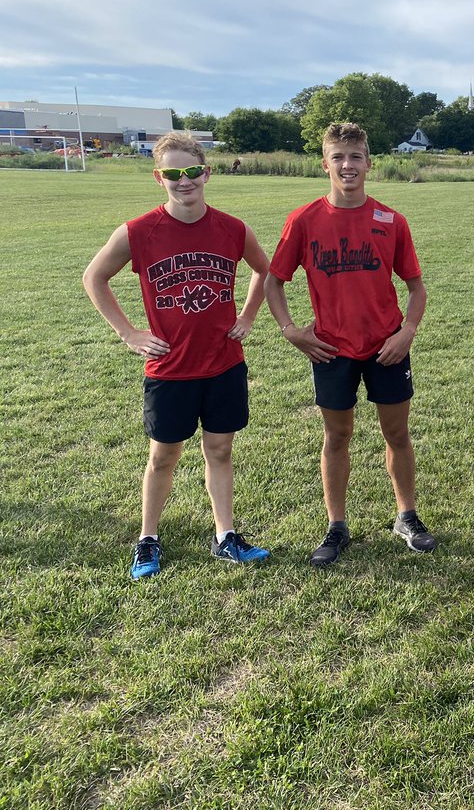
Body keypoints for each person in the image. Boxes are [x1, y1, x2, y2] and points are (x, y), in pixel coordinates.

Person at [83, 132, 271, 579]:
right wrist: (129, 333)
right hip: (169, 367)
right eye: (172, 173)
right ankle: (148, 540)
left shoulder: (233, 228)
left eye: (191, 172)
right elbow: (94, 278)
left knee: (220, 450)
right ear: (158, 178)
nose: (183, 181)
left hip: (223, 363)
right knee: (163, 456)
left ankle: (225, 536)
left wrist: (246, 316)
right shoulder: (138, 231)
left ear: (206, 173)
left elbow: (266, 271)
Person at [264, 122, 431, 566]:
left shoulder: (391, 220)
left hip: (387, 347)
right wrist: (291, 331)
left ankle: (406, 516)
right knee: (337, 437)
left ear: (369, 163)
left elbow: (416, 289)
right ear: (325, 164)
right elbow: (273, 283)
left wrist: (407, 332)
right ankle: (337, 526)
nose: (347, 165)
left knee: (397, 433)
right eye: (338, 157)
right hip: (332, 349)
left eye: (355, 156)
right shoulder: (304, 219)